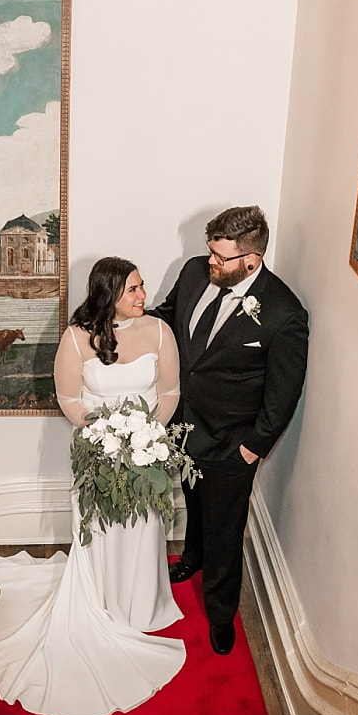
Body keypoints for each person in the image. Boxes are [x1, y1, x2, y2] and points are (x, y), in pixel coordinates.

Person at [0, 257, 185, 715]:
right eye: (134, 290)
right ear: (108, 295)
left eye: (142, 287)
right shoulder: (76, 337)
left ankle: (143, 606)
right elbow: (70, 398)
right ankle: (98, 604)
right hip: (96, 452)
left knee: (142, 530)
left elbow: (170, 394)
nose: (144, 296)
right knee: (101, 531)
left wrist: (145, 437)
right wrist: (104, 435)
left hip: (144, 450)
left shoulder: (160, 332)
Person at [150, 205, 308, 656]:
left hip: (229, 444)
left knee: (226, 529)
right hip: (183, 425)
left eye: (221, 258)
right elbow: (167, 318)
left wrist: (250, 450)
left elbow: (282, 397)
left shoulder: (284, 314)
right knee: (193, 501)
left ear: (251, 261)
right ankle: (192, 557)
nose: (210, 264)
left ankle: (221, 613)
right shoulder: (196, 272)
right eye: (210, 254)